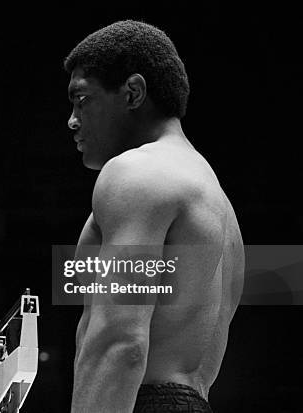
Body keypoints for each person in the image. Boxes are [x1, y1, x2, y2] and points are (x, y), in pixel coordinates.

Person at [64, 21, 244, 412]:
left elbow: (120, 343)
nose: (72, 120)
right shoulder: (218, 202)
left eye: (82, 100)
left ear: (133, 93)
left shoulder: (138, 174)